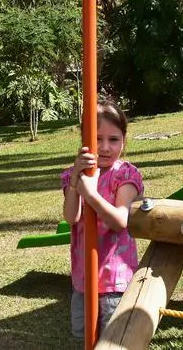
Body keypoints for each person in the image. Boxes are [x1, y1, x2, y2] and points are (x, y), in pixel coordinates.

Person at [61, 99, 143, 340]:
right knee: (84, 335)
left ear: (123, 140)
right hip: (83, 277)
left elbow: (119, 220)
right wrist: (76, 182)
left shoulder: (125, 174)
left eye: (113, 139)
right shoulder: (75, 175)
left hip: (114, 278)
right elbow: (71, 217)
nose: (105, 147)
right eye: (97, 139)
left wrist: (91, 194)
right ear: (84, 140)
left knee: (112, 338)